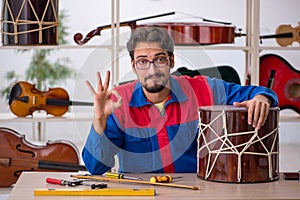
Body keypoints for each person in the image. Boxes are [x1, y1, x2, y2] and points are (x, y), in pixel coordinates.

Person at [82, 26, 278, 174]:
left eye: (159, 59)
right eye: (143, 61)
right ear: (133, 66)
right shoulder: (117, 102)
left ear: (171, 61)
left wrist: (262, 98)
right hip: (140, 193)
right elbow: (95, 168)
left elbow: (258, 92)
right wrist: (99, 119)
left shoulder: (204, 89)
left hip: (197, 191)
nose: (152, 70)